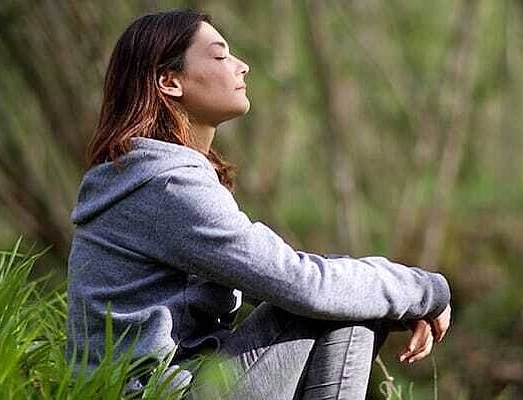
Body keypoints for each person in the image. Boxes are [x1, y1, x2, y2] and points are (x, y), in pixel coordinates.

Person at [66, 9, 452, 399]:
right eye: (220, 56)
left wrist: (398, 301)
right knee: (333, 302)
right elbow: (300, 285)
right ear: (170, 82)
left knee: (345, 295)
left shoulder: (144, 176)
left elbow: (278, 279)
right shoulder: (168, 185)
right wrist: (425, 290)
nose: (243, 66)